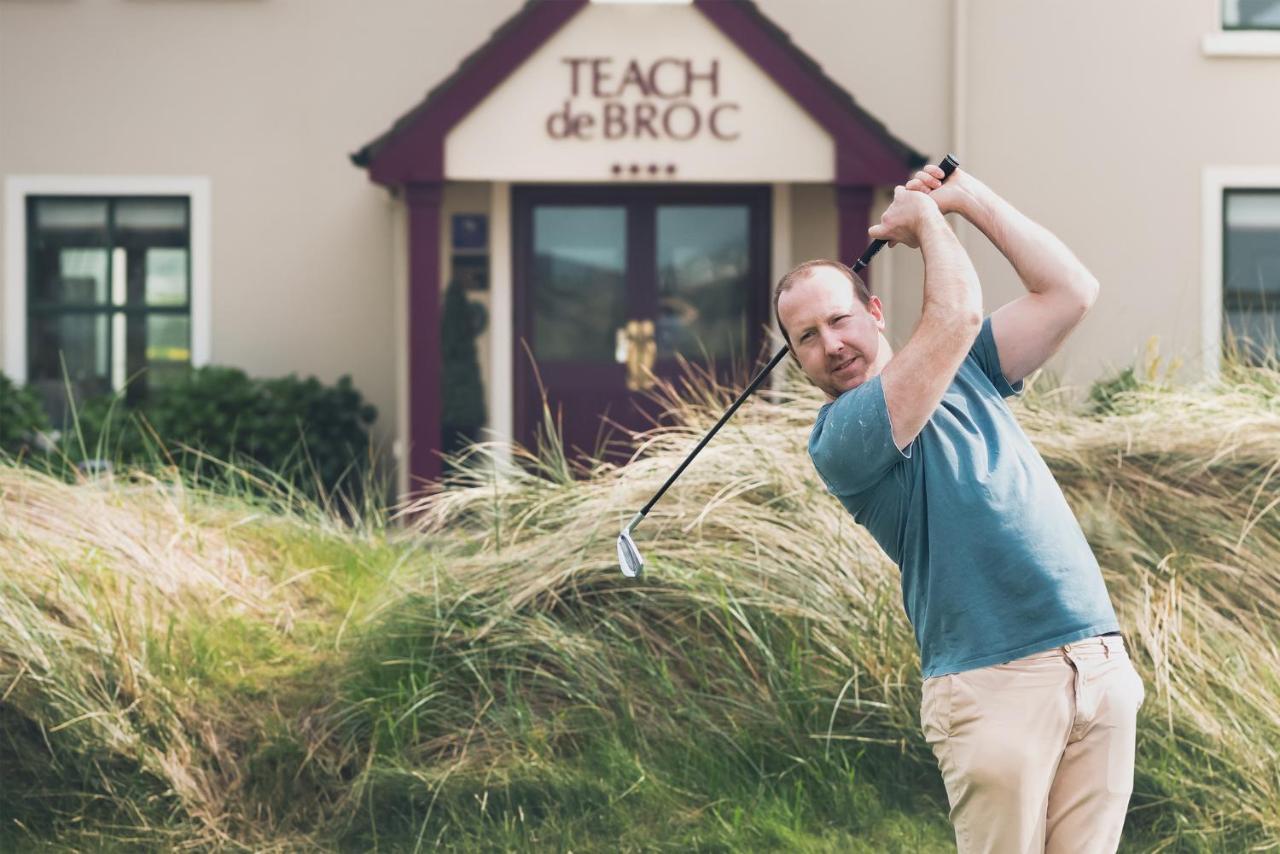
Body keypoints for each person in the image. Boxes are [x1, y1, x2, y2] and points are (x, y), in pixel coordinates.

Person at [773, 165, 1145, 853]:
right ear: (796, 360)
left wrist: (967, 198)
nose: (830, 345)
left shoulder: (967, 364)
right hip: (991, 682)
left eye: (838, 319)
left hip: (1094, 658)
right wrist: (925, 221)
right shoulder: (842, 438)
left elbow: (1070, 291)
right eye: (805, 338)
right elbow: (956, 313)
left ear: (874, 313)